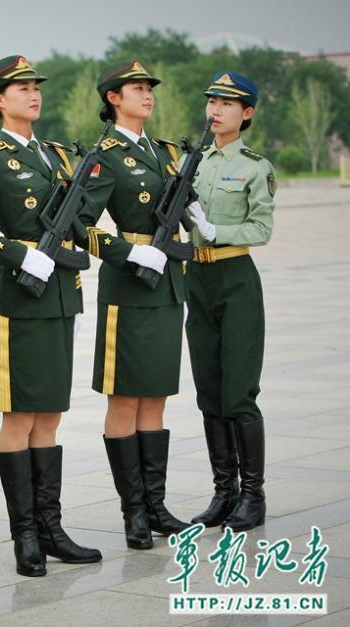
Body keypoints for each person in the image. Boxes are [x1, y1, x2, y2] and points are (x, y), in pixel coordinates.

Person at [0, 55, 103, 576]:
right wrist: (16, 253)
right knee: (20, 417)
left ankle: (51, 528)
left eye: (35, 87)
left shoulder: (55, 154)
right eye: (21, 88)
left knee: (49, 416)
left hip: (61, 293)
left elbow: (80, 218)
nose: (34, 94)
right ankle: (24, 536)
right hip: (21, 297)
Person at [75, 61, 191, 550]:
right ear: (114, 98)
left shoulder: (165, 152)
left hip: (167, 284)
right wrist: (127, 251)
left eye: (149, 88)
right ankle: (134, 513)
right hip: (129, 285)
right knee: (125, 398)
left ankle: (156, 505)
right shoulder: (105, 155)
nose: (147, 95)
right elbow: (80, 224)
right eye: (137, 88)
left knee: (155, 397)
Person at [186, 71, 274, 532]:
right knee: (209, 391)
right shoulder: (194, 163)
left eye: (227, 103)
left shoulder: (256, 167)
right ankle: (225, 492)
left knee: (238, 393)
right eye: (212, 101)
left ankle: (253, 496)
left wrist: (216, 230)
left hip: (235, 276)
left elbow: (261, 228)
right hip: (196, 278)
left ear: (247, 113)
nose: (216, 110)